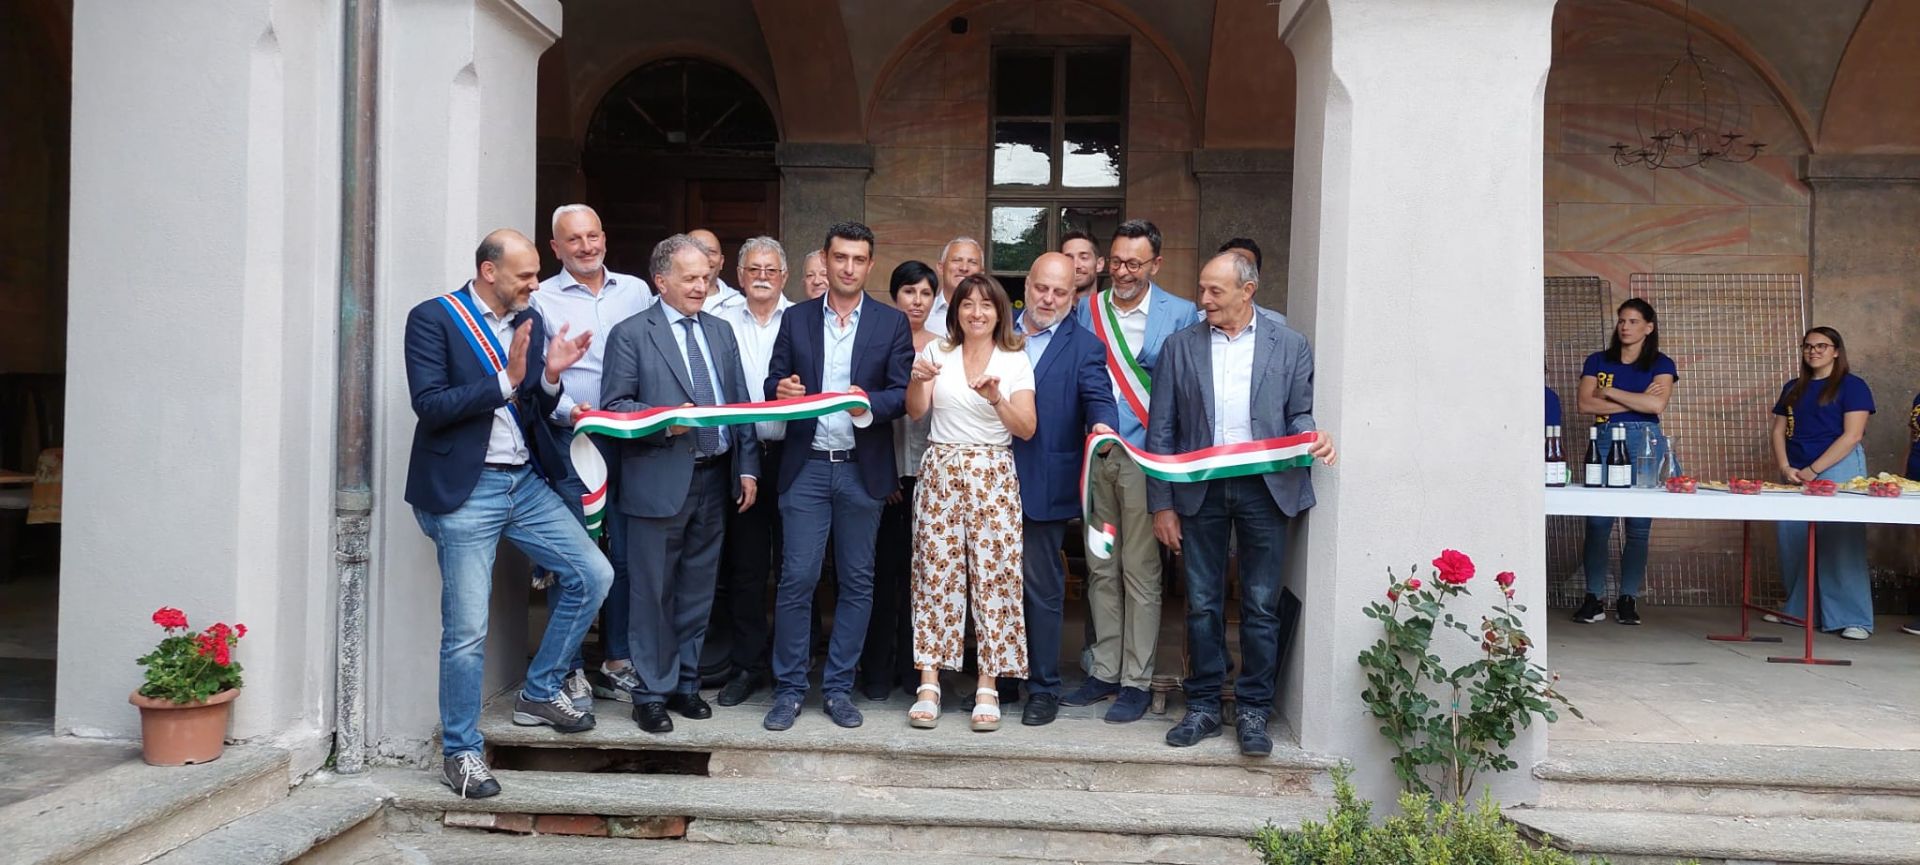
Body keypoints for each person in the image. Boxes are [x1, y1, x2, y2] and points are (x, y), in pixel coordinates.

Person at [404, 229, 613, 798]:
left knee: (593, 575)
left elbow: (537, 403)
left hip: (523, 481)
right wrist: (507, 380)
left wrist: (550, 376)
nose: (535, 284)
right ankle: (461, 752)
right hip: (466, 490)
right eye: (525, 274)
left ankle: (540, 691)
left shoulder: (531, 320)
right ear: (489, 271)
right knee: (467, 632)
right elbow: (429, 406)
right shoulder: (433, 319)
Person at [1147, 252, 1334, 755]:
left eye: (1215, 291)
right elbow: (1161, 430)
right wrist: (1162, 504)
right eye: (1202, 289)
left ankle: (1254, 710)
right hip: (1199, 489)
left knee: (1260, 604)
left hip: (1265, 488)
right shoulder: (1179, 347)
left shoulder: (1290, 345)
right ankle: (1204, 705)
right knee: (1202, 603)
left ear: (1247, 291)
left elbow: (1298, 414)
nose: (1203, 300)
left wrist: (1311, 437)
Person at [600, 234, 761, 733]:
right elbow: (616, 407)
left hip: (714, 478)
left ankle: (686, 684)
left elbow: (739, 404)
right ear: (661, 281)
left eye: (705, 278)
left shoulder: (720, 331)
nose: (700, 286)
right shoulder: (631, 334)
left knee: (697, 590)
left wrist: (747, 467)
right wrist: (665, 421)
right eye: (689, 278)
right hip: (657, 480)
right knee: (653, 593)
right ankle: (650, 693)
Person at [761, 221, 914, 732]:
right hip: (805, 467)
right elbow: (774, 379)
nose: (848, 268)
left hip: (860, 471)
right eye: (840, 257)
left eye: (858, 259)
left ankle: (838, 689)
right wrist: (781, 389)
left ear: (870, 265)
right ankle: (788, 690)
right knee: (797, 579)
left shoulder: (891, 324)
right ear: (825, 260)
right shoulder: (797, 318)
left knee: (857, 582)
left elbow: (901, 394)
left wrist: (866, 403)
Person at [1066, 219, 1200, 723]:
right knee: (1101, 564)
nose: (1122, 272)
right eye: (1117, 262)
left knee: (1139, 570)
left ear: (1155, 265)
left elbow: (1187, 388)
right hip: (1097, 460)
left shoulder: (1181, 313)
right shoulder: (1086, 309)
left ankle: (1136, 680)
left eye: (1134, 264)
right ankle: (1104, 670)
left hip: (1145, 463)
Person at [531, 203, 654, 707]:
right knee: (577, 555)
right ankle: (567, 668)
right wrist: (569, 410)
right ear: (555, 247)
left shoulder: (637, 291)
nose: (586, 246)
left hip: (630, 440)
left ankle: (616, 660)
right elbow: (538, 375)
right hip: (572, 439)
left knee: (624, 553)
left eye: (593, 236)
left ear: (605, 237)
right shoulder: (541, 298)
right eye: (574, 239)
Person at [905, 274, 1038, 732]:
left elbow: (1026, 428)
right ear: (955, 311)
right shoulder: (936, 351)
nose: (976, 312)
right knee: (934, 573)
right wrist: (917, 380)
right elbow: (917, 411)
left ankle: (988, 684)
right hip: (941, 468)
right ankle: (929, 683)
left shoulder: (1014, 358)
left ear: (1000, 312)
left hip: (992, 471)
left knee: (994, 575)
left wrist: (996, 397)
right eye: (967, 304)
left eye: (986, 304)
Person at [1005, 253, 1117, 726]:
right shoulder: (994, 329)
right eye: (1041, 288)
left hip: (1045, 485)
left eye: (1060, 292)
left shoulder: (1085, 347)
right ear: (1026, 286)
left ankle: (1043, 687)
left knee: (1040, 589)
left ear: (1074, 297)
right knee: (994, 585)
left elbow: (1099, 400)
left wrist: (1104, 427)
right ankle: (1000, 682)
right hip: (986, 478)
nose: (1048, 299)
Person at [712, 237, 795, 706]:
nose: (762, 276)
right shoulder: (720, 321)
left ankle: (790, 666)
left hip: (793, 456)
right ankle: (746, 665)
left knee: (794, 567)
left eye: (771, 269)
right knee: (745, 567)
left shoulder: (802, 319)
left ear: (784, 276)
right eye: (754, 269)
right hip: (740, 456)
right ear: (739, 276)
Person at [861, 260, 940, 701]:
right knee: (881, 575)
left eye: (925, 293)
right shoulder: (879, 341)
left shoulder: (944, 347)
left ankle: (915, 672)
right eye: (909, 291)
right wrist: (886, 471)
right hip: (885, 477)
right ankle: (876, 670)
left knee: (923, 578)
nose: (917, 301)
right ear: (895, 296)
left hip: (931, 479)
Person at [1574, 299, 1677, 627]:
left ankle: (1628, 597)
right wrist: (1637, 400)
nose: (1625, 327)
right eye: (1622, 320)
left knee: (1638, 525)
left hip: (1645, 441)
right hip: (1605, 437)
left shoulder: (1661, 363)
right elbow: (1584, 404)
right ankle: (1593, 597)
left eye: (1633, 321)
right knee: (1597, 522)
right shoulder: (1598, 360)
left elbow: (1656, 406)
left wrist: (1609, 392)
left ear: (1649, 327)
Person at [1770, 327, 1875, 641]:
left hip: (1838, 467)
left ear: (1836, 351)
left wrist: (1814, 470)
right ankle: (1801, 610)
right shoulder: (1793, 387)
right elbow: (1778, 431)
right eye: (1808, 346)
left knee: (1839, 541)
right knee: (1792, 538)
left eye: (1821, 346)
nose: (1813, 351)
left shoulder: (1853, 386)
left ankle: (1852, 617)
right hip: (1796, 469)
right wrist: (1785, 466)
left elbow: (1852, 435)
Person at [925, 236, 983, 332]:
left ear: (981, 272)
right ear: (941, 268)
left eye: (972, 262)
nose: (964, 268)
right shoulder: (923, 312)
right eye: (956, 260)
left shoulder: (990, 317)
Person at [689, 228, 747, 315]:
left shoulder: (738, 304)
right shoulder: (669, 301)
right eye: (697, 251)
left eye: (711, 252)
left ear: (721, 262)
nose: (705, 258)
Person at [1060, 230, 1105, 302]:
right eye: (1069, 259)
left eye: (1084, 258)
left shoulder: (1109, 308)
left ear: (1099, 264)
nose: (1076, 265)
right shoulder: (1051, 307)